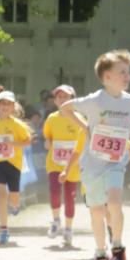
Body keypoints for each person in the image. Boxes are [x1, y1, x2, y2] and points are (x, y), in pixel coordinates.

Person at [59, 49, 130, 260]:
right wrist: (85, 127)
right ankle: (100, 254)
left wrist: (128, 133)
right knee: (97, 210)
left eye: (128, 72)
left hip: (115, 162)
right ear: (107, 77)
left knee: (115, 203)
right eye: (122, 72)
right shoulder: (95, 100)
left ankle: (117, 246)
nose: (127, 76)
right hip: (92, 164)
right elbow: (65, 108)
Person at [42, 85, 85, 247]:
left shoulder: (79, 118)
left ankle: (68, 229)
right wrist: (47, 141)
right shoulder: (52, 118)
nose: (61, 100)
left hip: (73, 165)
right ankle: (55, 221)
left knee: (69, 197)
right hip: (54, 163)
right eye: (58, 97)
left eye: (65, 97)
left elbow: (85, 138)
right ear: (55, 100)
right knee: (54, 191)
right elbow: (48, 136)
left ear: (72, 99)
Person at [0, 91, 32, 246]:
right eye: (2, 103)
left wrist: (13, 144)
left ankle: (15, 205)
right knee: (1, 195)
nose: (4, 107)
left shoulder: (17, 124)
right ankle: (3, 230)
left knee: (13, 197)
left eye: (8, 104)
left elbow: (28, 141)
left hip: (14, 164)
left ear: (13, 107)